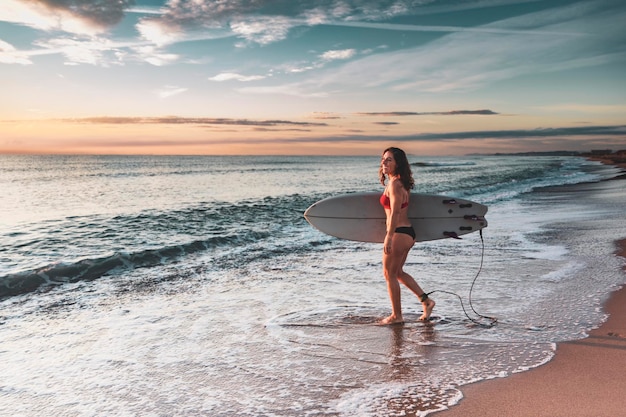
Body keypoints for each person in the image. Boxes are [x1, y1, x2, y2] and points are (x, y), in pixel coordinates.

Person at [378, 147, 435, 325]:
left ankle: (396, 316)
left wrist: (388, 236)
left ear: (398, 163)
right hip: (407, 234)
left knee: (389, 274)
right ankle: (426, 301)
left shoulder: (394, 185)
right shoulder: (401, 183)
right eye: (383, 159)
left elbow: (394, 213)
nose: (384, 163)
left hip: (398, 234)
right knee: (398, 273)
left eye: (389, 160)